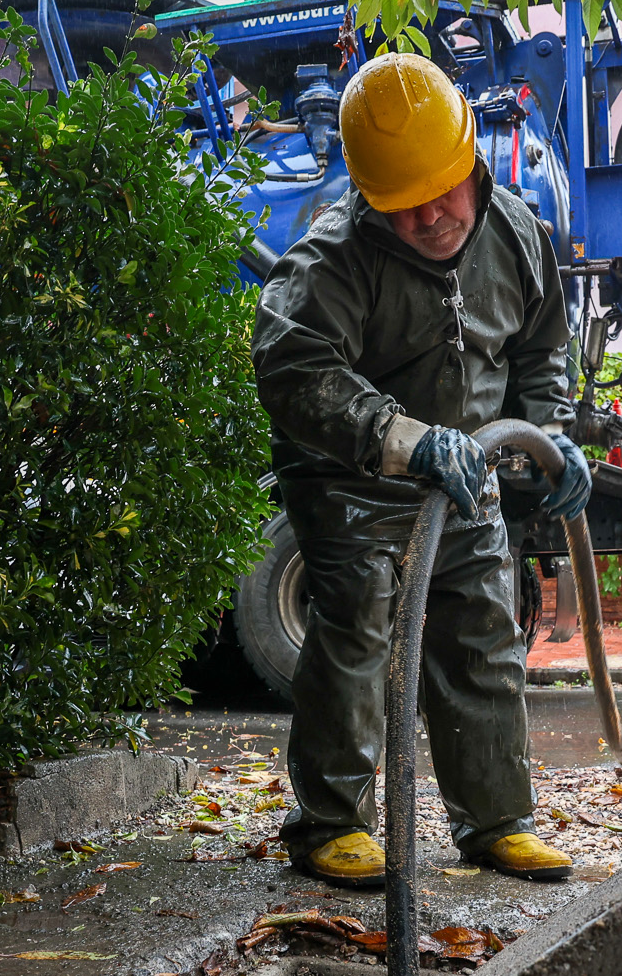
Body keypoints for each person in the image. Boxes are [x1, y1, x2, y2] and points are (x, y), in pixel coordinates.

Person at [251, 52, 592, 888]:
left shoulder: (516, 234)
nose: (432, 215)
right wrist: (403, 437)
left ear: (471, 162)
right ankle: (331, 822)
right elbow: (293, 370)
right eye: (404, 207)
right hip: (348, 479)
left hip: (464, 467)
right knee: (358, 625)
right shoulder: (334, 258)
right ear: (370, 199)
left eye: (445, 190)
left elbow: (542, 349)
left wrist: (547, 437)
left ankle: (496, 821)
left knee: (482, 630)